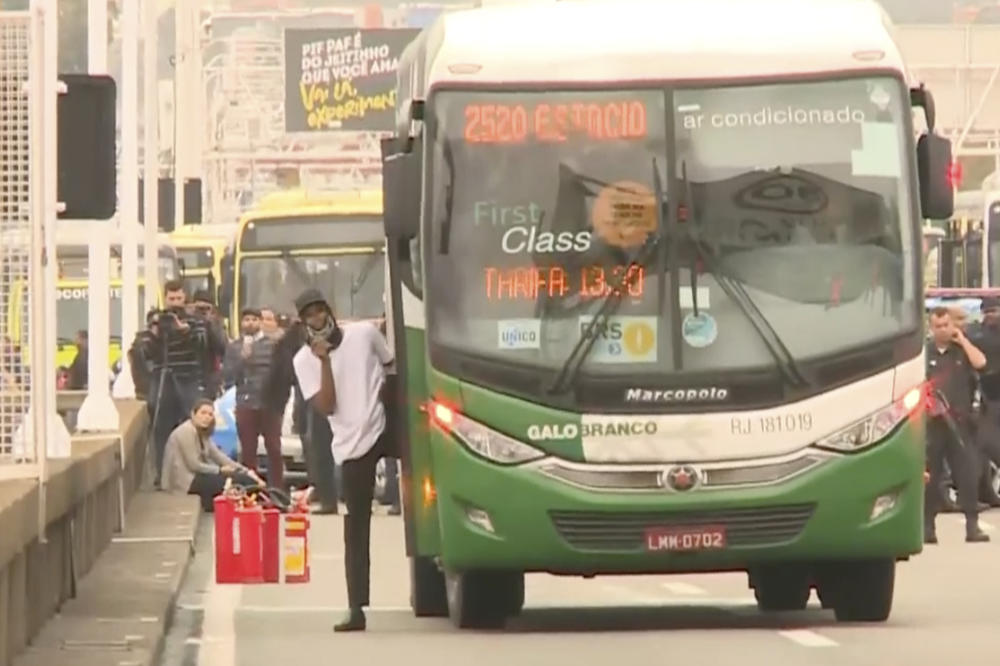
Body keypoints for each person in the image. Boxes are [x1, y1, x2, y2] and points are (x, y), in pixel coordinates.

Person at [291, 288, 394, 632]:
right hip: (351, 443)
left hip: (385, 424)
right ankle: (356, 607)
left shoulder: (363, 334)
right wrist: (324, 361)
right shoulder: (304, 361)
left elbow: (391, 362)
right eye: (310, 315)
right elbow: (326, 406)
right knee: (356, 525)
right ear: (303, 323)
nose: (318, 319)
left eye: (321, 311)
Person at [130, 280, 214, 487]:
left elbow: (204, 346)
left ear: (185, 298)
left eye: (179, 298)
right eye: (171, 298)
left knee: (195, 426)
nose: (175, 303)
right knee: (161, 428)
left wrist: (185, 330)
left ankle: (197, 471)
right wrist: (155, 335)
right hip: (163, 378)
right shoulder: (157, 320)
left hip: (188, 378)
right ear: (165, 298)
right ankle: (161, 474)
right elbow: (144, 353)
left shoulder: (195, 321)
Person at [925, 307, 990, 543]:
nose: (943, 330)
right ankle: (928, 528)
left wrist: (962, 340)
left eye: (946, 325)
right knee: (931, 477)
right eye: (938, 326)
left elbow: (981, 363)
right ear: (931, 328)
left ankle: (972, 527)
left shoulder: (962, 351)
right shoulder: (925, 353)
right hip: (933, 424)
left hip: (961, 423)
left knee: (967, 475)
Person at [160, 399, 261, 511]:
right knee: (232, 482)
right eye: (203, 413)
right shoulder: (186, 431)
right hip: (185, 480)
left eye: (210, 414)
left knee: (246, 480)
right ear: (193, 414)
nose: (207, 417)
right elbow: (194, 465)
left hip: (198, 476)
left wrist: (246, 471)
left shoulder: (203, 433)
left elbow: (220, 457)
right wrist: (219, 470)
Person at [222, 307, 284, 489]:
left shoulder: (273, 345)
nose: (250, 323)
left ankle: (277, 489)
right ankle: (251, 489)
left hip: (269, 404)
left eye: (254, 319)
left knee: (274, 448)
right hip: (246, 403)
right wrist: (242, 358)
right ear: (241, 323)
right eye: (247, 319)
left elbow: (281, 373)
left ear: (260, 322)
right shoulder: (234, 347)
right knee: (248, 450)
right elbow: (228, 375)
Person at [965, 296, 1000, 506]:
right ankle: (984, 491)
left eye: (994, 311)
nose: (991, 316)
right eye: (986, 312)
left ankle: (986, 491)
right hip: (988, 398)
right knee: (985, 446)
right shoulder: (977, 333)